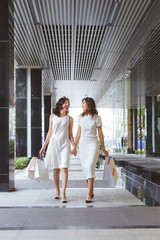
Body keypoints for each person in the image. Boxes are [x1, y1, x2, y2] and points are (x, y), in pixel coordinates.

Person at [72, 97, 109, 203]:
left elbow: (100, 134)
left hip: (93, 145)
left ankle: (88, 194)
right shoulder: (80, 117)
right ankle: (91, 189)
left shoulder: (97, 117)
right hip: (83, 146)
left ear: (89, 104)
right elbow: (78, 133)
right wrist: (74, 146)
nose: (82, 105)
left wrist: (104, 147)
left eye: (84, 103)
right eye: (82, 103)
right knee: (85, 169)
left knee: (89, 167)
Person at [39, 96, 76, 203]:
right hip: (54, 144)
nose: (67, 104)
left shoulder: (70, 119)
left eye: (68, 103)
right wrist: (43, 146)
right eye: (65, 102)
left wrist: (74, 146)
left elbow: (70, 135)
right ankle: (57, 190)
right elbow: (49, 133)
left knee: (64, 168)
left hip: (65, 145)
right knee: (56, 169)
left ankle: (64, 193)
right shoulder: (52, 117)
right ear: (60, 104)